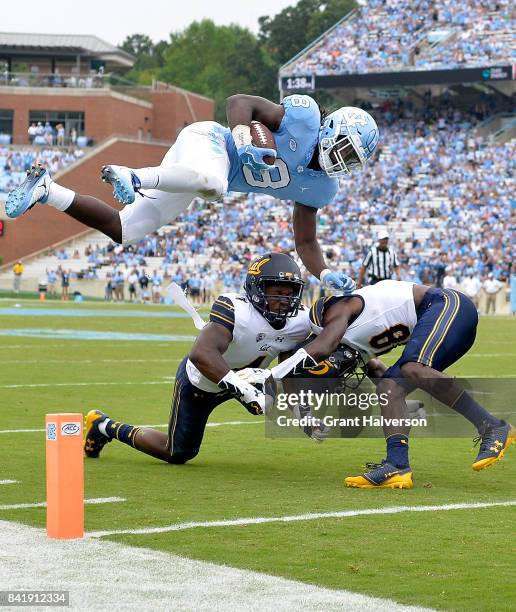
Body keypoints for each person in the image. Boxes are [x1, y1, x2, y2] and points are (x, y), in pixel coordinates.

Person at [6, 95, 379, 294]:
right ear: (331, 128)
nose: (342, 162)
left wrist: (325, 273)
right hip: (209, 140)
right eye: (345, 149)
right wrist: (242, 136)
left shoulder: (321, 187)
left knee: (125, 230)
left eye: (352, 161)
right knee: (214, 187)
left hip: (194, 174)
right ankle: (133, 175)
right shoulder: (304, 118)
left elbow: (306, 240)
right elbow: (239, 102)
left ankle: (47, 190)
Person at [241, 280, 515, 488]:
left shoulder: (337, 310)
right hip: (441, 320)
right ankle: (397, 465)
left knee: (413, 367)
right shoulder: (355, 341)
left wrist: (269, 375)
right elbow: (377, 373)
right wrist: (305, 415)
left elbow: (323, 347)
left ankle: (493, 426)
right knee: (390, 388)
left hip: (446, 305)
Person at [83, 253, 313, 464]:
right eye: (277, 292)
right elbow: (201, 353)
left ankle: (253, 391)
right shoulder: (236, 309)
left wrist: (298, 406)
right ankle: (104, 426)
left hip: (249, 377)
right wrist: (245, 390)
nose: (285, 299)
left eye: (291, 292)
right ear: (256, 288)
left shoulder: (299, 322)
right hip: (203, 380)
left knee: (268, 401)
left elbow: (288, 368)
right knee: (178, 452)